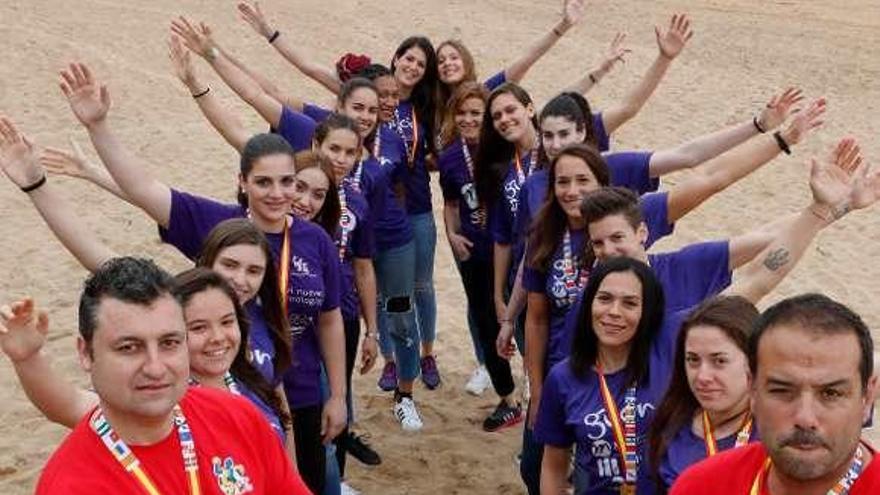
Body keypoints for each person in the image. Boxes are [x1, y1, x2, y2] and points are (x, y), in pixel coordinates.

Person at [55, 62, 345, 494]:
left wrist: (337, 394)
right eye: (263, 181)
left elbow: (329, 317)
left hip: (289, 386)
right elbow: (141, 192)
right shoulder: (218, 226)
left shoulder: (314, 239)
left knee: (317, 475)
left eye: (288, 182)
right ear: (242, 183)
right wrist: (99, 130)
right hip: (226, 393)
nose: (279, 193)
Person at [535, 137, 878, 494]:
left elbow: (760, 275)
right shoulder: (571, 367)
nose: (613, 313)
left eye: (630, 303)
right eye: (604, 300)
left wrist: (825, 211)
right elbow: (554, 453)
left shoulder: (675, 335)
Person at [0, 257, 311, 494]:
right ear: (85, 353)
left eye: (169, 343)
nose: (155, 367)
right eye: (129, 347)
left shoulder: (237, 416)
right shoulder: (71, 485)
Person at [670, 294, 880, 494]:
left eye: (831, 393)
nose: (805, 418)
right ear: (752, 390)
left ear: (867, 398)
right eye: (782, 391)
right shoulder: (701, 487)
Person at [435, 82, 520, 430]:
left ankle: (537, 395)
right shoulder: (451, 157)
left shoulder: (504, 151)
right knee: (486, 324)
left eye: (476, 113)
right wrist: (452, 234)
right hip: (475, 252)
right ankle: (508, 400)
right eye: (462, 113)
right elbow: (451, 204)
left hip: (512, 252)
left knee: (524, 324)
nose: (469, 120)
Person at [648, 296, 761, 492]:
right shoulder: (670, 426)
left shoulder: (778, 435)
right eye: (693, 360)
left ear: (753, 361)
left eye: (719, 361)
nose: (702, 376)